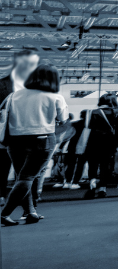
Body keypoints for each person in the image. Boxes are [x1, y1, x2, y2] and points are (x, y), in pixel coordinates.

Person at [1, 64, 65, 226]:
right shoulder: (54, 96)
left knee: (21, 177)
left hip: (15, 141)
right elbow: (63, 120)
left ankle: (30, 212)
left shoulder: (13, 96)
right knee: (27, 177)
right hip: (42, 139)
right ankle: (5, 213)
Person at [0, 49, 40, 206]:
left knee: (29, 172)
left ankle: (31, 201)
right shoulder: (2, 85)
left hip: (32, 135)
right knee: (2, 168)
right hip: (6, 136)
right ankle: (2, 195)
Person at [86, 95, 118, 198]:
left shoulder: (92, 112)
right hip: (109, 144)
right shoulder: (116, 113)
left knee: (92, 166)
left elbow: (88, 129)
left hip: (93, 143)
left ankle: (92, 186)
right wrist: (117, 144)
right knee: (105, 166)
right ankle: (103, 188)